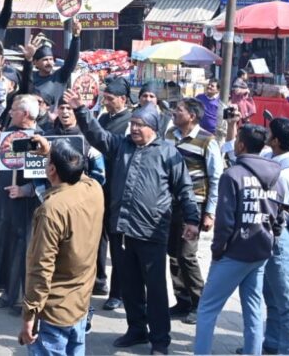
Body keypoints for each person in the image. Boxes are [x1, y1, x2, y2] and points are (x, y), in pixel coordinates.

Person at [77, 99, 200, 355]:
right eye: (132, 123)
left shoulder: (168, 153)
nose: (134, 128)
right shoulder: (121, 146)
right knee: (130, 286)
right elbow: (97, 135)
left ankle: (160, 340)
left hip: (151, 232)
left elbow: (184, 189)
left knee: (155, 290)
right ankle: (136, 330)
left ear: (153, 128)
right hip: (122, 229)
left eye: (140, 125)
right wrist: (81, 110)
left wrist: (192, 219)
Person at [193, 123, 283, 355]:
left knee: (207, 308)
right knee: (253, 309)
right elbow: (279, 216)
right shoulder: (276, 175)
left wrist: (218, 250)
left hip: (234, 253)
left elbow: (225, 221)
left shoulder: (232, 175)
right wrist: (272, 240)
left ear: (241, 145)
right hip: (261, 250)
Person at [18, 137, 104, 356]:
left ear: (52, 170)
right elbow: (78, 173)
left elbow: (40, 268)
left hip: (54, 311)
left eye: (49, 162)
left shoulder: (51, 209)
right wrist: (52, 153)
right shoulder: (94, 189)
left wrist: (29, 315)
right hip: (80, 301)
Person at [164, 97, 222, 325]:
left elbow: (215, 178)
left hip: (194, 205)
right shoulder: (170, 135)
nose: (174, 112)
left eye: (179, 110)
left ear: (192, 116)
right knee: (173, 254)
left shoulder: (207, 141)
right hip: (170, 203)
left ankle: (200, 303)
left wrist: (210, 212)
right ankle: (183, 300)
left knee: (187, 255)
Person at [0, 95, 44, 314]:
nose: (10, 113)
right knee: (8, 247)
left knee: (24, 250)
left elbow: (43, 176)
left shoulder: (39, 138)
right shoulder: (9, 133)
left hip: (28, 205)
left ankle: (23, 299)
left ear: (26, 114)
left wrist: (24, 190)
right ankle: (8, 292)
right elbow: (2, 160)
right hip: (6, 201)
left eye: (14, 110)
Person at [262, 118, 289, 355]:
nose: (266, 134)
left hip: (279, 237)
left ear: (276, 140)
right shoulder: (271, 158)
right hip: (268, 236)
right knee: (270, 294)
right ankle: (271, 343)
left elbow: (278, 208)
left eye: (270, 132)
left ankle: (288, 350)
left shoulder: (287, 172)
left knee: (286, 299)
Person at [95, 75, 134, 307]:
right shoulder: (102, 118)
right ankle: (99, 280)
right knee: (97, 237)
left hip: (119, 188)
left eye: (110, 98)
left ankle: (117, 293)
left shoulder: (130, 122)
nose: (106, 102)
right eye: (105, 98)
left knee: (118, 244)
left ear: (122, 99)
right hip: (100, 186)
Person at [19, 19, 81, 112]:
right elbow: (26, 82)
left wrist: (76, 38)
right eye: (45, 60)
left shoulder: (59, 77)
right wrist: (28, 59)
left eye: (51, 59)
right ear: (35, 62)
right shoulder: (31, 78)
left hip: (54, 118)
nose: (49, 63)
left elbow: (71, 61)